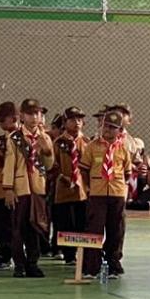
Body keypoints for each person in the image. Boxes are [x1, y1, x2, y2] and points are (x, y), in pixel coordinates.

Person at [3, 99, 54, 278]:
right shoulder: (15, 138)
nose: (34, 117)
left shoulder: (45, 137)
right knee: (18, 227)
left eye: (37, 113)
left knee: (36, 227)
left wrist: (47, 151)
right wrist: (8, 188)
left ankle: (33, 262)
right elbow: (9, 164)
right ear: (22, 116)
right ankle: (19, 264)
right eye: (30, 113)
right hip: (21, 188)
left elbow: (48, 166)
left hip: (38, 187)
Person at [79, 110, 132, 279]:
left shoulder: (123, 149)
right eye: (105, 126)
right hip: (98, 194)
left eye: (112, 127)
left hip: (116, 193)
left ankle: (113, 264)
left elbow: (128, 173)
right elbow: (84, 169)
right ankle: (91, 266)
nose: (108, 130)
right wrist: (90, 187)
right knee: (94, 229)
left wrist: (120, 188)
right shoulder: (92, 146)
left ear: (119, 131)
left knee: (115, 230)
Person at [52, 106, 89, 266]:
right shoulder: (58, 143)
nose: (77, 123)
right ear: (65, 122)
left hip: (83, 190)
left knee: (82, 222)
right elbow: (52, 165)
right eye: (73, 120)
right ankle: (69, 255)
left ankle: (83, 253)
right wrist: (62, 176)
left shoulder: (88, 143)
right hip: (64, 189)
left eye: (80, 120)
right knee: (65, 222)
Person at [0, 102, 18, 271]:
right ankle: (5, 254)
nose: (0, 123)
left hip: (20, 188)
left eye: (3, 119)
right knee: (1, 224)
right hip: (1, 188)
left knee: (17, 224)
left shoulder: (23, 139)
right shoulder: (0, 141)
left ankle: (20, 255)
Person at [126, 138, 150, 211]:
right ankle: (137, 205)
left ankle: (132, 204)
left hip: (138, 194)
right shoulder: (123, 161)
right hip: (125, 191)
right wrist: (131, 167)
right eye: (135, 151)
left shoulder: (146, 164)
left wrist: (149, 168)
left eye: (140, 151)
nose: (137, 154)